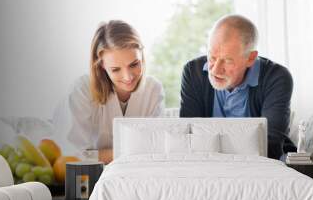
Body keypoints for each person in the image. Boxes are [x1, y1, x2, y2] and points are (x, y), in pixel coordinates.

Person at [180, 14, 295, 160]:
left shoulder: (276, 77)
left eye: (227, 61)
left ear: (251, 58)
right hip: (207, 164)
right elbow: (188, 137)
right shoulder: (193, 72)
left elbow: (270, 144)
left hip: (259, 166)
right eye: (212, 57)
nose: (215, 70)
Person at [67, 20, 164, 164]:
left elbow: (156, 149)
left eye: (134, 64)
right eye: (116, 69)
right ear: (102, 66)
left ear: (142, 56)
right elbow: (74, 156)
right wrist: (129, 153)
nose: (128, 77)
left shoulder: (153, 89)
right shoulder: (82, 90)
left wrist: (101, 155)